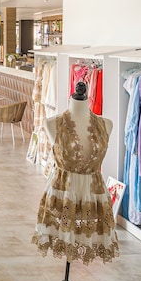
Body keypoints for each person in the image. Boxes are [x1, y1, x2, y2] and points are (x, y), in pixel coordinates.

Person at [32, 81, 120, 265]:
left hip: (93, 196)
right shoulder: (53, 123)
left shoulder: (106, 124)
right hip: (63, 194)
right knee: (64, 237)